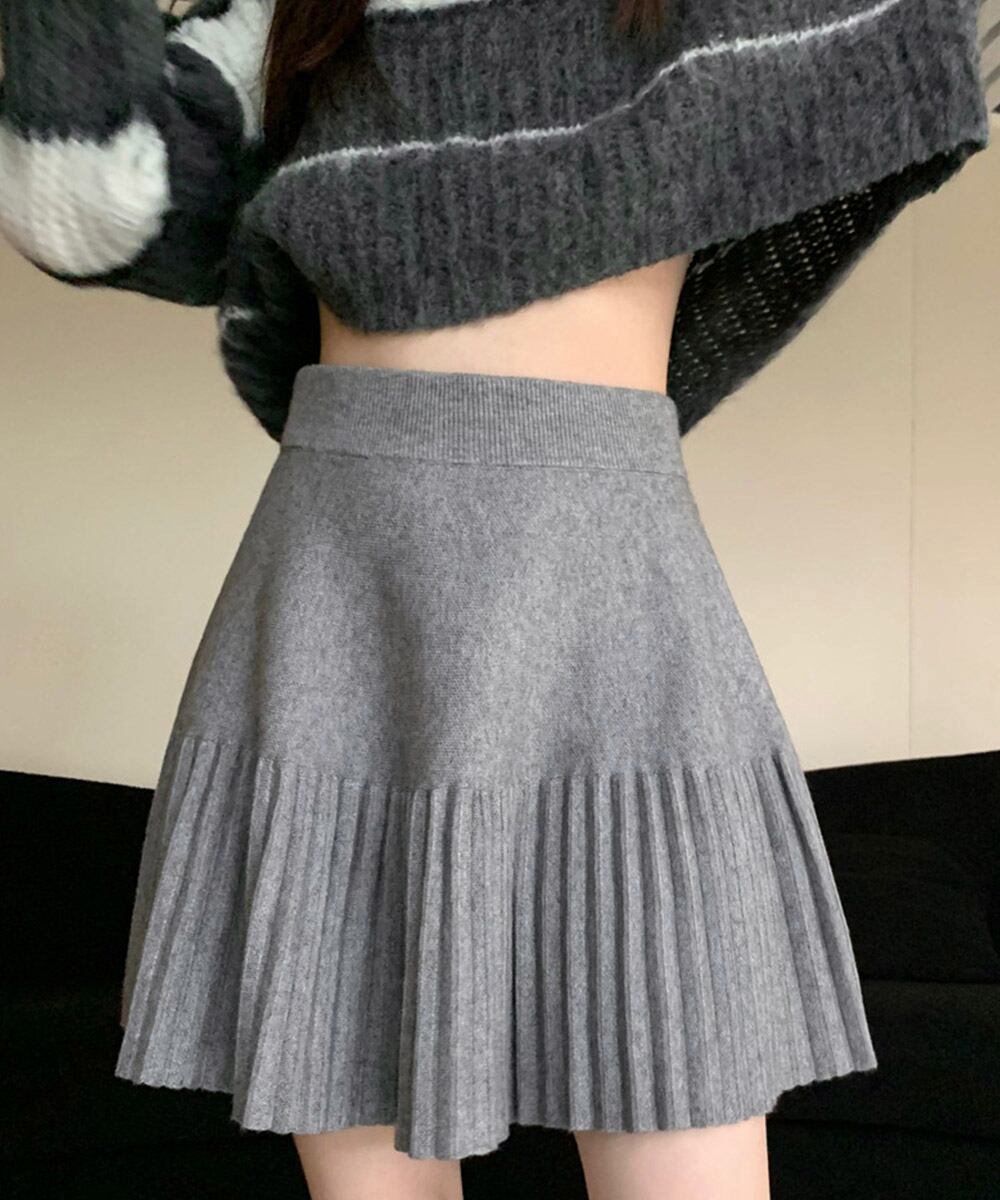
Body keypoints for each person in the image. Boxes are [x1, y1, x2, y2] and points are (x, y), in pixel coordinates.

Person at [0, 2, 991, 1198]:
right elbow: (81, 200)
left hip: (605, 584)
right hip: (342, 591)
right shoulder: (300, 16)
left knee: (683, 1111)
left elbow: (929, 52)